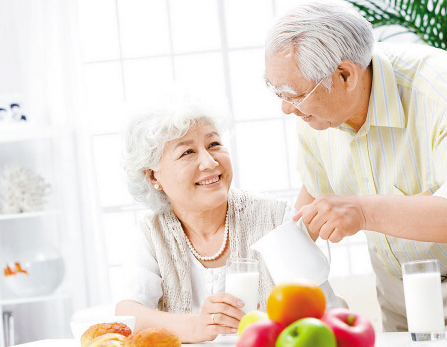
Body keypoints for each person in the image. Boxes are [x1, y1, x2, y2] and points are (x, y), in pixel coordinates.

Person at [264, 0, 447, 332]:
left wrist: (362, 213)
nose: (286, 109)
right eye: (278, 93)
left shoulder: (438, 90)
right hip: (399, 295)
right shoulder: (317, 115)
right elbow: (311, 205)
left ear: (345, 75)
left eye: (294, 95)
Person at [115, 96, 338, 343]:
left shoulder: (275, 218)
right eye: (187, 152)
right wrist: (197, 326)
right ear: (152, 177)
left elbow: (325, 313)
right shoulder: (151, 233)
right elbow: (128, 314)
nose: (210, 162)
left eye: (214, 144)